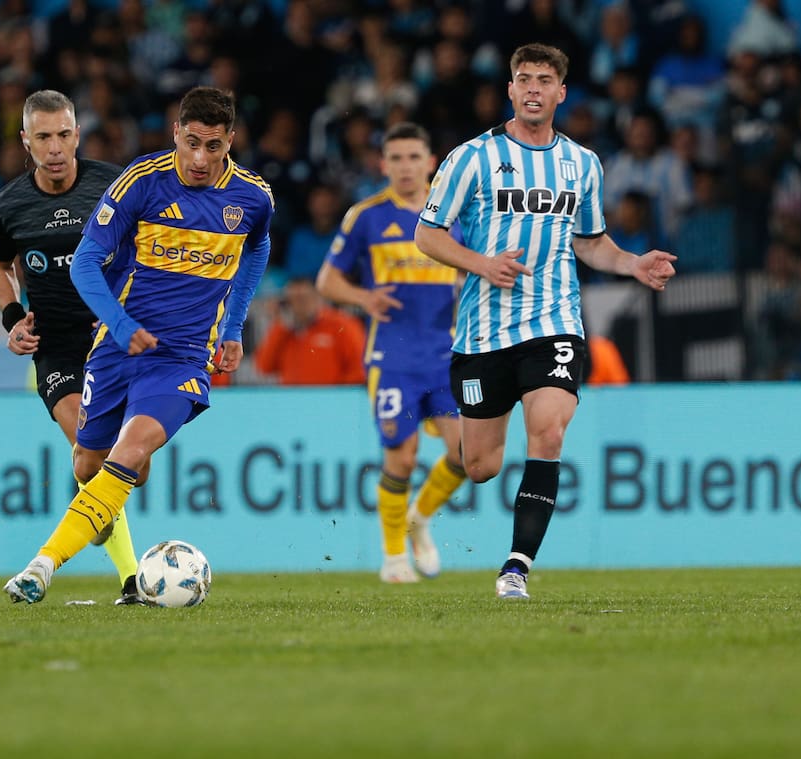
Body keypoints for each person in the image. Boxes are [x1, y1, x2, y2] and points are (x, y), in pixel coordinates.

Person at [414, 43, 676, 599]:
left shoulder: (582, 164)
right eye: (523, 79)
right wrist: (482, 263)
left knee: (549, 432)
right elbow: (427, 234)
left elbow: (590, 241)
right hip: (483, 331)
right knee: (480, 465)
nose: (533, 88)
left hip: (554, 321)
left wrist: (631, 263)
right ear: (510, 90)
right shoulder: (471, 158)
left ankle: (516, 568)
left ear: (561, 92)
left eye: (544, 80)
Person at [2, 86, 274, 604]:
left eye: (213, 147)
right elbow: (85, 264)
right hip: (115, 350)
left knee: (128, 451)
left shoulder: (253, 197)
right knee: (91, 464)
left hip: (182, 357)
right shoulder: (141, 184)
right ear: (176, 133)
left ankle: (42, 567)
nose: (200, 159)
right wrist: (122, 326)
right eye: (191, 142)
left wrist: (234, 326)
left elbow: (256, 246)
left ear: (231, 141)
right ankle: (110, 495)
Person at [0, 89, 143, 605]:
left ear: (78, 134)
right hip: (57, 345)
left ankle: (91, 506)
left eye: (64, 134)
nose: (55, 147)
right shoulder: (7, 207)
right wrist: (11, 319)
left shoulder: (115, 187)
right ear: (25, 142)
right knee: (93, 453)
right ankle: (133, 581)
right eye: (43, 137)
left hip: (115, 336)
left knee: (123, 469)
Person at [316, 122, 467, 585]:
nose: (405, 167)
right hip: (393, 358)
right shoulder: (366, 216)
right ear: (383, 165)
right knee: (401, 458)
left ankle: (419, 518)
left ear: (431, 163)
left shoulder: (457, 216)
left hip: (448, 353)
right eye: (396, 158)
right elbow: (327, 281)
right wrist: (364, 299)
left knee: (467, 454)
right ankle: (393, 556)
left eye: (413, 157)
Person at [255, 275, 367, 386]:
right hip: (292, 399)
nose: (299, 305)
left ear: (317, 296)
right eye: (293, 299)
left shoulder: (341, 325)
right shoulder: (284, 330)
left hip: (330, 399)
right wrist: (281, 327)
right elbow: (264, 367)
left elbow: (360, 370)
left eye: (303, 298)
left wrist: (336, 394)